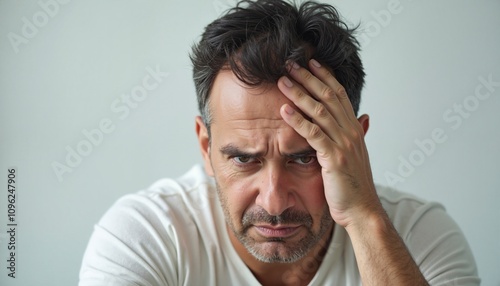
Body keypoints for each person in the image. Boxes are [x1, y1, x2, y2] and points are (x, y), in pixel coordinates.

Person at [79, 0, 480, 285]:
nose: (273, 202)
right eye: (243, 159)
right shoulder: (143, 237)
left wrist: (363, 217)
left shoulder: (420, 239)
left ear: (352, 147)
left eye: (305, 158)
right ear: (205, 147)